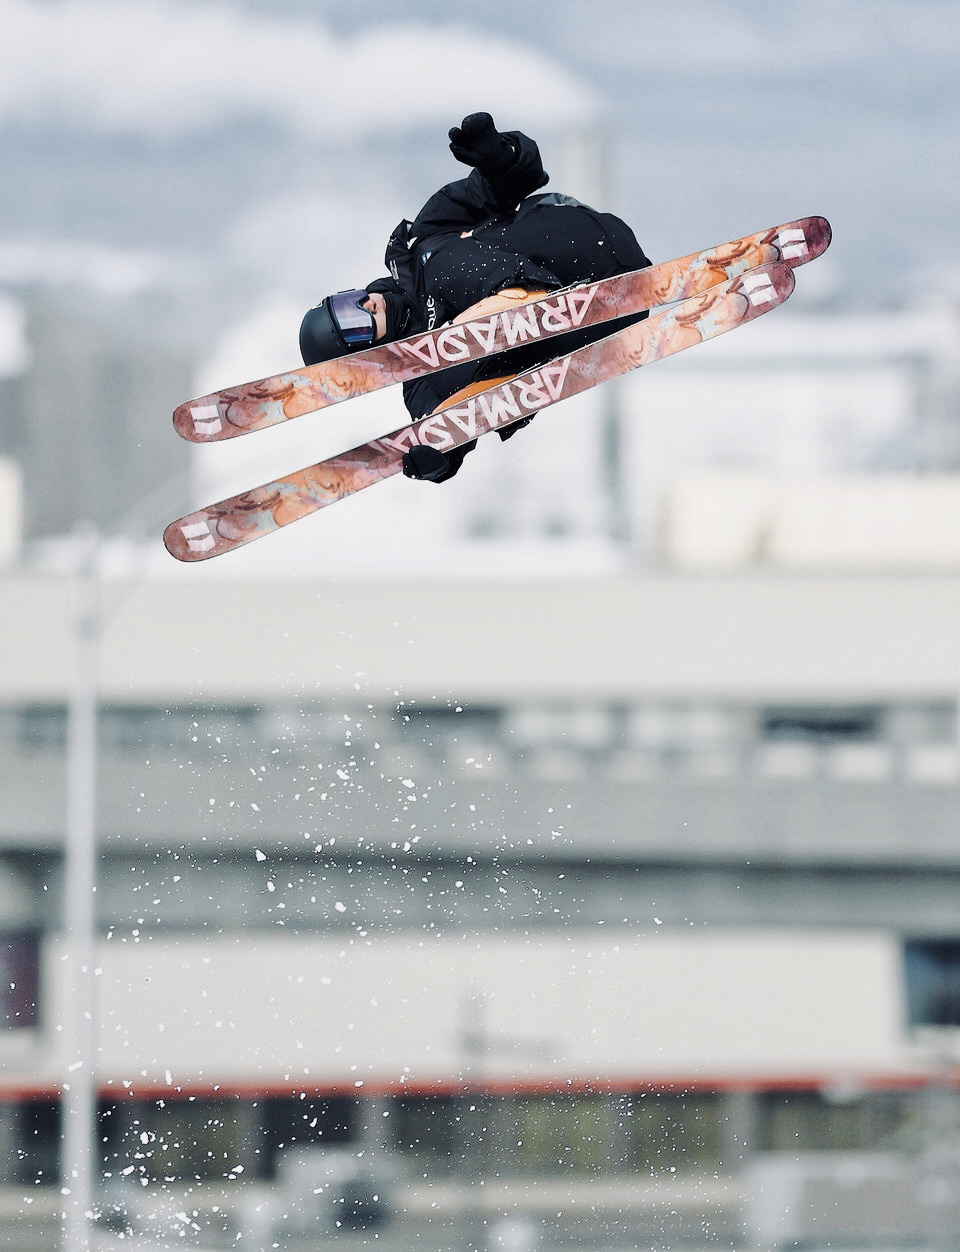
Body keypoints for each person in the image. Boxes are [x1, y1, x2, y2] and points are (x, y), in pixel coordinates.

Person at [299, 113, 652, 483]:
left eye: (348, 303)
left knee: (435, 265)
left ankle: (523, 301)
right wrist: (436, 455)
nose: (366, 306)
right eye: (355, 326)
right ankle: (508, 345)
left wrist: (497, 157)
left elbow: (518, 180)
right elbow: (441, 425)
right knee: (443, 372)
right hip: (603, 322)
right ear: (363, 355)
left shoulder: (423, 238)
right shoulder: (422, 382)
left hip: (577, 241)